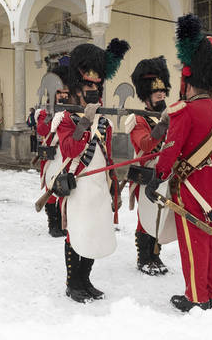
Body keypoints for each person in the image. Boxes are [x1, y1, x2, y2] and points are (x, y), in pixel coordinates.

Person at [144, 14, 212, 312]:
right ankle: (210, 292)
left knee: (192, 242)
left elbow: (169, 153)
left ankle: (197, 297)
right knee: (209, 239)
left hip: (191, 191)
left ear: (187, 79)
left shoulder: (183, 112)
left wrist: (157, 177)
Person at [54, 39, 129, 303]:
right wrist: (85, 120)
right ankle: (73, 283)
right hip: (78, 186)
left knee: (94, 233)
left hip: (98, 187)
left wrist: (113, 186)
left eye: (96, 86)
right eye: (87, 86)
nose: (92, 91)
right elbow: (70, 149)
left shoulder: (105, 123)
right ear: (76, 88)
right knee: (78, 234)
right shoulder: (66, 119)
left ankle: (85, 280)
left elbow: (108, 157)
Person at [125, 56, 173, 275]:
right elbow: (144, 145)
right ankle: (144, 258)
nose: (161, 94)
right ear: (146, 94)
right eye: (156, 91)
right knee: (146, 218)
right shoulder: (138, 119)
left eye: (163, 90)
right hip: (147, 172)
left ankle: (156, 256)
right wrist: (162, 125)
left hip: (166, 173)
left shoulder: (170, 116)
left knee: (160, 216)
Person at [36, 62, 71, 237]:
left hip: (67, 156)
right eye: (60, 93)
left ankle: (64, 223)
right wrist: (51, 116)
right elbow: (42, 130)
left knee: (65, 189)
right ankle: (53, 223)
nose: (63, 96)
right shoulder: (44, 112)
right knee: (51, 190)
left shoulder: (71, 113)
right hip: (52, 156)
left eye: (66, 93)